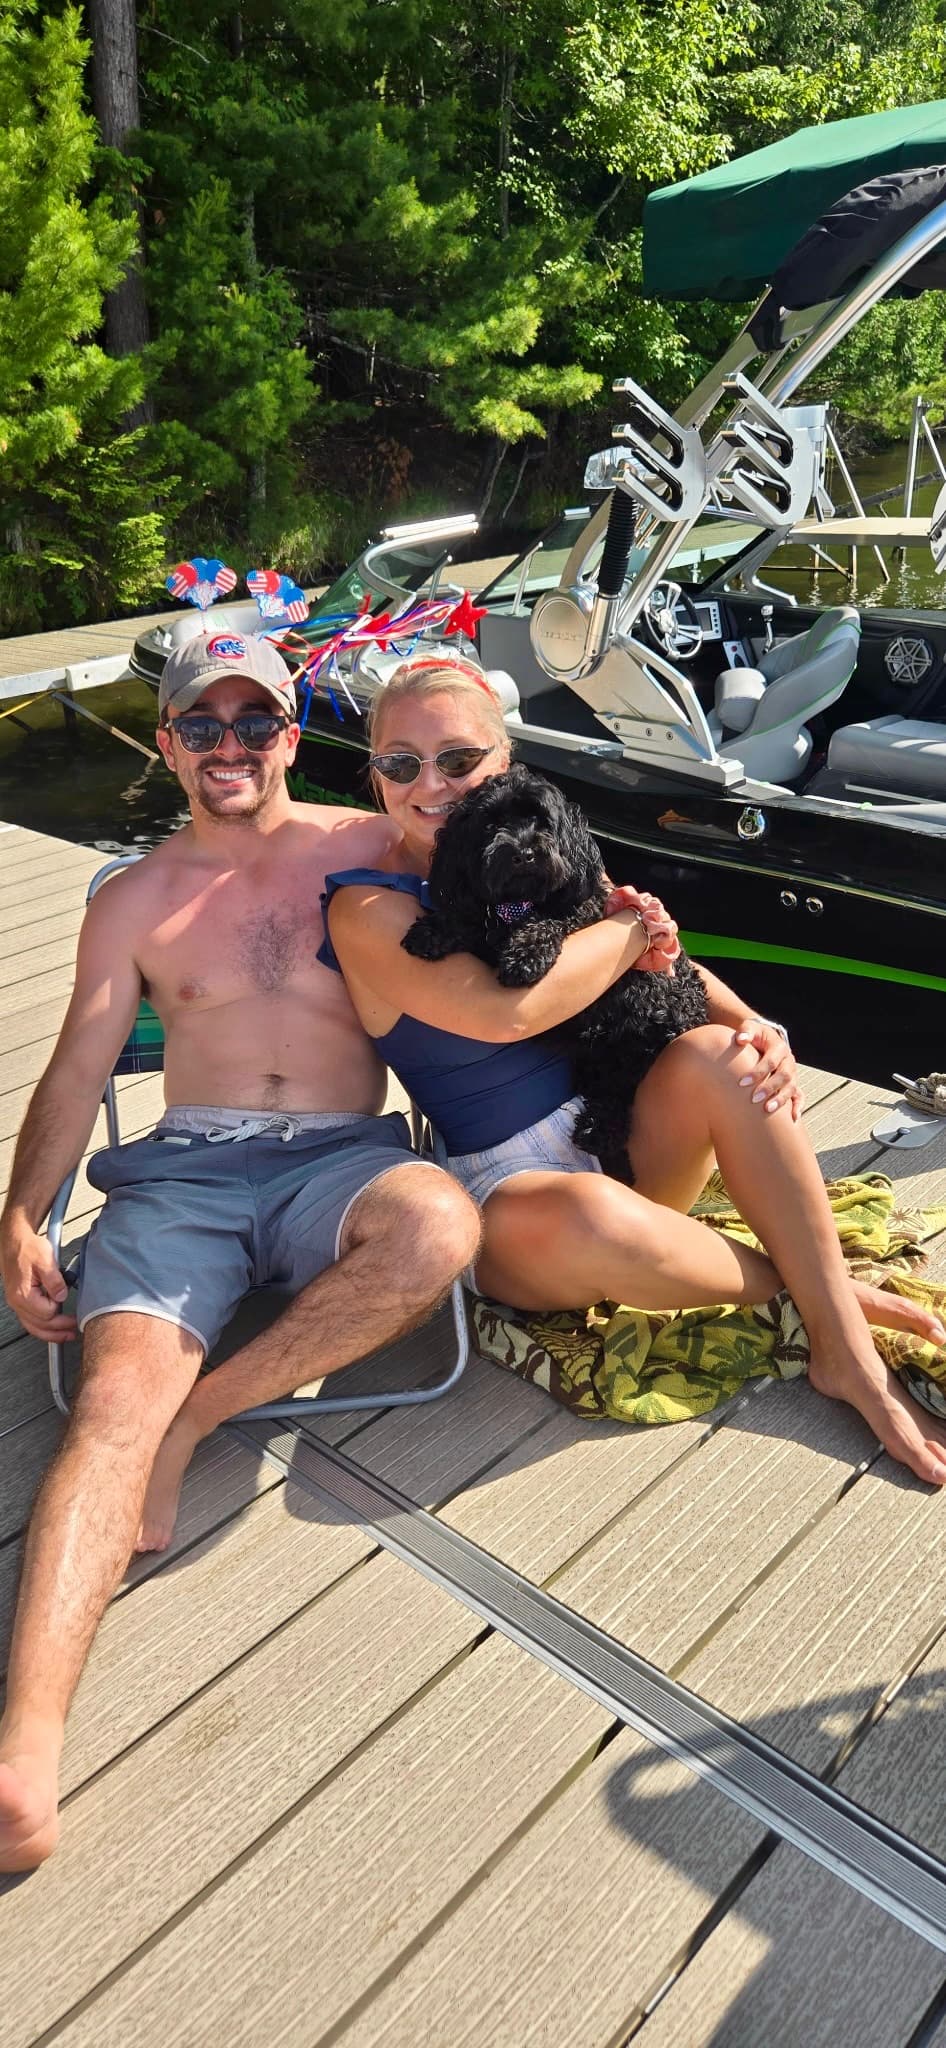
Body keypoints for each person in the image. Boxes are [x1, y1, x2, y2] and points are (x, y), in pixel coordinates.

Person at [0, 630, 480, 1873]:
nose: (229, 747)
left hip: (341, 1152)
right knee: (109, 1407)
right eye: (200, 726)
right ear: (166, 742)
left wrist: (713, 997)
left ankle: (200, 1417)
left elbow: (542, 887)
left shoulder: (373, 841)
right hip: (189, 1171)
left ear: (291, 731)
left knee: (436, 1222)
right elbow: (79, 1066)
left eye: (253, 722)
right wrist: (17, 1211)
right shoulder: (133, 898)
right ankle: (25, 1748)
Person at [323, 655, 946, 1487]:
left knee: (724, 1056)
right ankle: (828, 1298)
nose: (431, 783)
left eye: (460, 760)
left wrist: (753, 1024)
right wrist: (632, 928)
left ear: (506, 765)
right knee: (588, 1214)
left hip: (620, 1134)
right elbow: (505, 1010)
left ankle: (842, 1354)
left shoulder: (535, 850)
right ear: (376, 777)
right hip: (510, 1197)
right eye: (401, 763)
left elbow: (667, 964)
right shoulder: (365, 905)